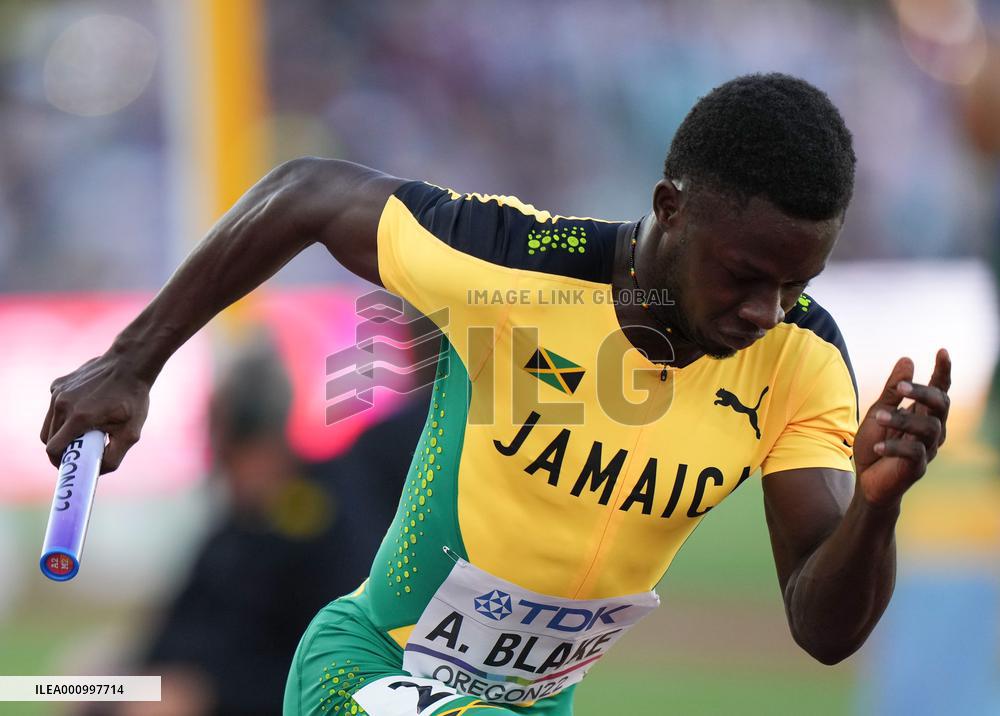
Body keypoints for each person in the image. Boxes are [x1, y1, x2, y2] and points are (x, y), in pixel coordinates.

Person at [41, 73, 951, 716]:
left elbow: (824, 632)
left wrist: (875, 510)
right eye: (746, 275)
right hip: (367, 673)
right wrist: (133, 360)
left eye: (795, 285)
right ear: (671, 207)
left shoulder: (803, 358)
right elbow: (307, 191)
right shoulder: (511, 264)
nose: (766, 311)